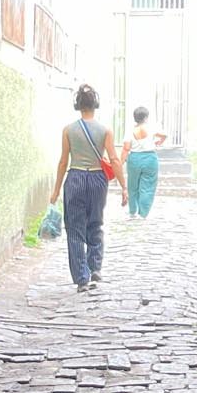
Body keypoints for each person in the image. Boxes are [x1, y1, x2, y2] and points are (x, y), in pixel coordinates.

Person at [51, 84, 126, 292]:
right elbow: (114, 160)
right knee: (95, 223)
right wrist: (124, 187)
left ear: (77, 105)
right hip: (97, 179)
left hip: (75, 178)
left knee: (75, 229)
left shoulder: (68, 130)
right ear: (96, 104)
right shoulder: (105, 131)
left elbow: (63, 162)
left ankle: (82, 278)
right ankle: (95, 267)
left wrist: (56, 190)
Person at [121, 105, 167, 220]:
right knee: (148, 186)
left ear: (135, 118)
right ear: (146, 117)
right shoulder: (151, 128)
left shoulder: (130, 131)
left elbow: (126, 148)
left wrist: (120, 163)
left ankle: (133, 211)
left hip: (134, 159)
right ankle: (143, 213)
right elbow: (164, 135)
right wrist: (159, 142)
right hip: (150, 158)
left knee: (133, 186)